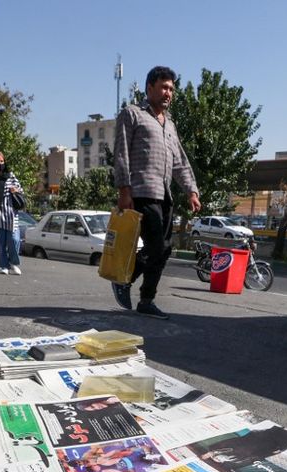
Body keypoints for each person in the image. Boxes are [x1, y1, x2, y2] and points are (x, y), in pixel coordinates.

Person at [112, 65, 202, 320]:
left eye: (171, 89)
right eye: (163, 87)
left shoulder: (169, 124)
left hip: (164, 195)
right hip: (141, 191)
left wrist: (191, 191)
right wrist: (124, 190)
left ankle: (146, 299)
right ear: (149, 87)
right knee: (156, 246)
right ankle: (125, 280)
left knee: (163, 249)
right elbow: (121, 154)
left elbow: (180, 161)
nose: (168, 93)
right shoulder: (132, 114)